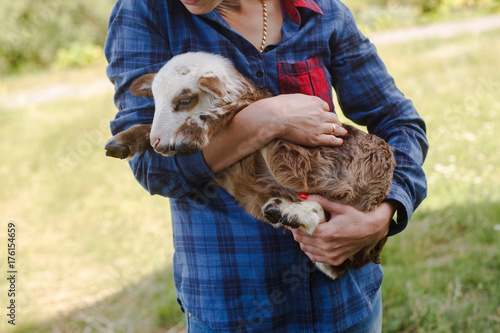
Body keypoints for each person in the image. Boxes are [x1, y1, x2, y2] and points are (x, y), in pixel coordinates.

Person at [105, 0, 428, 332]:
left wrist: (383, 215)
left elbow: (398, 121)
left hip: (344, 304)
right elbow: (153, 168)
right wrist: (267, 120)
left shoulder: (322, 13)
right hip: (234, 309)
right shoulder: (145, 13)